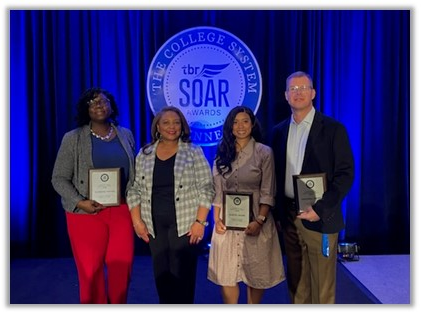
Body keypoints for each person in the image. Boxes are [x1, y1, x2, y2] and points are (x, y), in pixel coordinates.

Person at [271, 71, 354, 304]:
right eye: (293, 89)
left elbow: (345, 175)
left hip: (321, 217)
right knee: (296, 282)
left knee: (322, 285)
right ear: (286, 95)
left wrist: (320, 208)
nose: (298, 93)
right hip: (289, 216)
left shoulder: (333, 129)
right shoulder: (278, 132)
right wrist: (278, 214)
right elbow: (275, 176)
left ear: (313, 93)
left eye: (303, 88)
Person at [51, 87, 136, 303]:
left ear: (112, 106)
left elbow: (134, 175)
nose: (99, 106)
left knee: (122, 269)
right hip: (85, 214)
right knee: (90, 273)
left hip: (121, 211)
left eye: (103, 101)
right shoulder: (73, 138)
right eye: (92, 102)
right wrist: (80, 201)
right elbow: (59, 178)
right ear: (85, 109)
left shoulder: (125, 135)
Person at [126, 106, 214, 304]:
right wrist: (137, 221)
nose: (171, 127)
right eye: (166, 122)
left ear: (182, 126)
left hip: (185, 224)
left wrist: (200, 222)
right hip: (154, 225)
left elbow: (207, 188)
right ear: (157, 126)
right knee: (162, 276)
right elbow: (134, 189)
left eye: (176, 122)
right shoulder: (145, 154)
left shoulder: (193, 151)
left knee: (182, 275)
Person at [207, 106, 285, 304]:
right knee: (227, 274)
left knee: (255, 274)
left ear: (252, 124)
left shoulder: (264, 152)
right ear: (229, 126)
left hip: (256, 220)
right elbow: (216, 188)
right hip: (226, 222)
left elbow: (268, 190)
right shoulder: (222, 151)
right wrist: (216, 219)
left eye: (245, 121)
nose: (240, 126)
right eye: (235, 122)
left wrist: (259, 220)